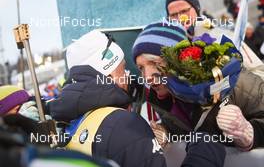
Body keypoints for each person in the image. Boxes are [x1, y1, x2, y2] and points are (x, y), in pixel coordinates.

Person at [132, 21, 264, 151]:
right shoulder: (164, 99)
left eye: (154, 63)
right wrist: (165, 131)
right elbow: (187, 128)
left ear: (178, 60)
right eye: (141, 68)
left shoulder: (234, 82)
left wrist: (249, 132)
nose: (147, 76)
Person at [48, 30, 167, 167]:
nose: (127, 76)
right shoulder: (125, 124)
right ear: (108, 72)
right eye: (123, 68)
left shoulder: (66, 123)